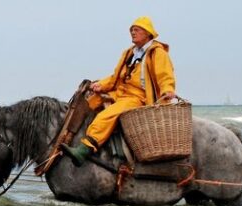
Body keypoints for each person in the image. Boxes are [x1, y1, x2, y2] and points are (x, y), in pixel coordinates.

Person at [62, 17, 177, 166]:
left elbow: (165, 75)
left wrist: (168, 90)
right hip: (120, 92)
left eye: (137, 30)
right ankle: (69, 136)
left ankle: (86, 149)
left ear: (147, 33)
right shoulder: (129, 53)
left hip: (138, 97)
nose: (133, 33)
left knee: (107, 115)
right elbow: (115, 77)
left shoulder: (157, 53)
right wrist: (100, 85)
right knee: (89, 102)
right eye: (131, 30)